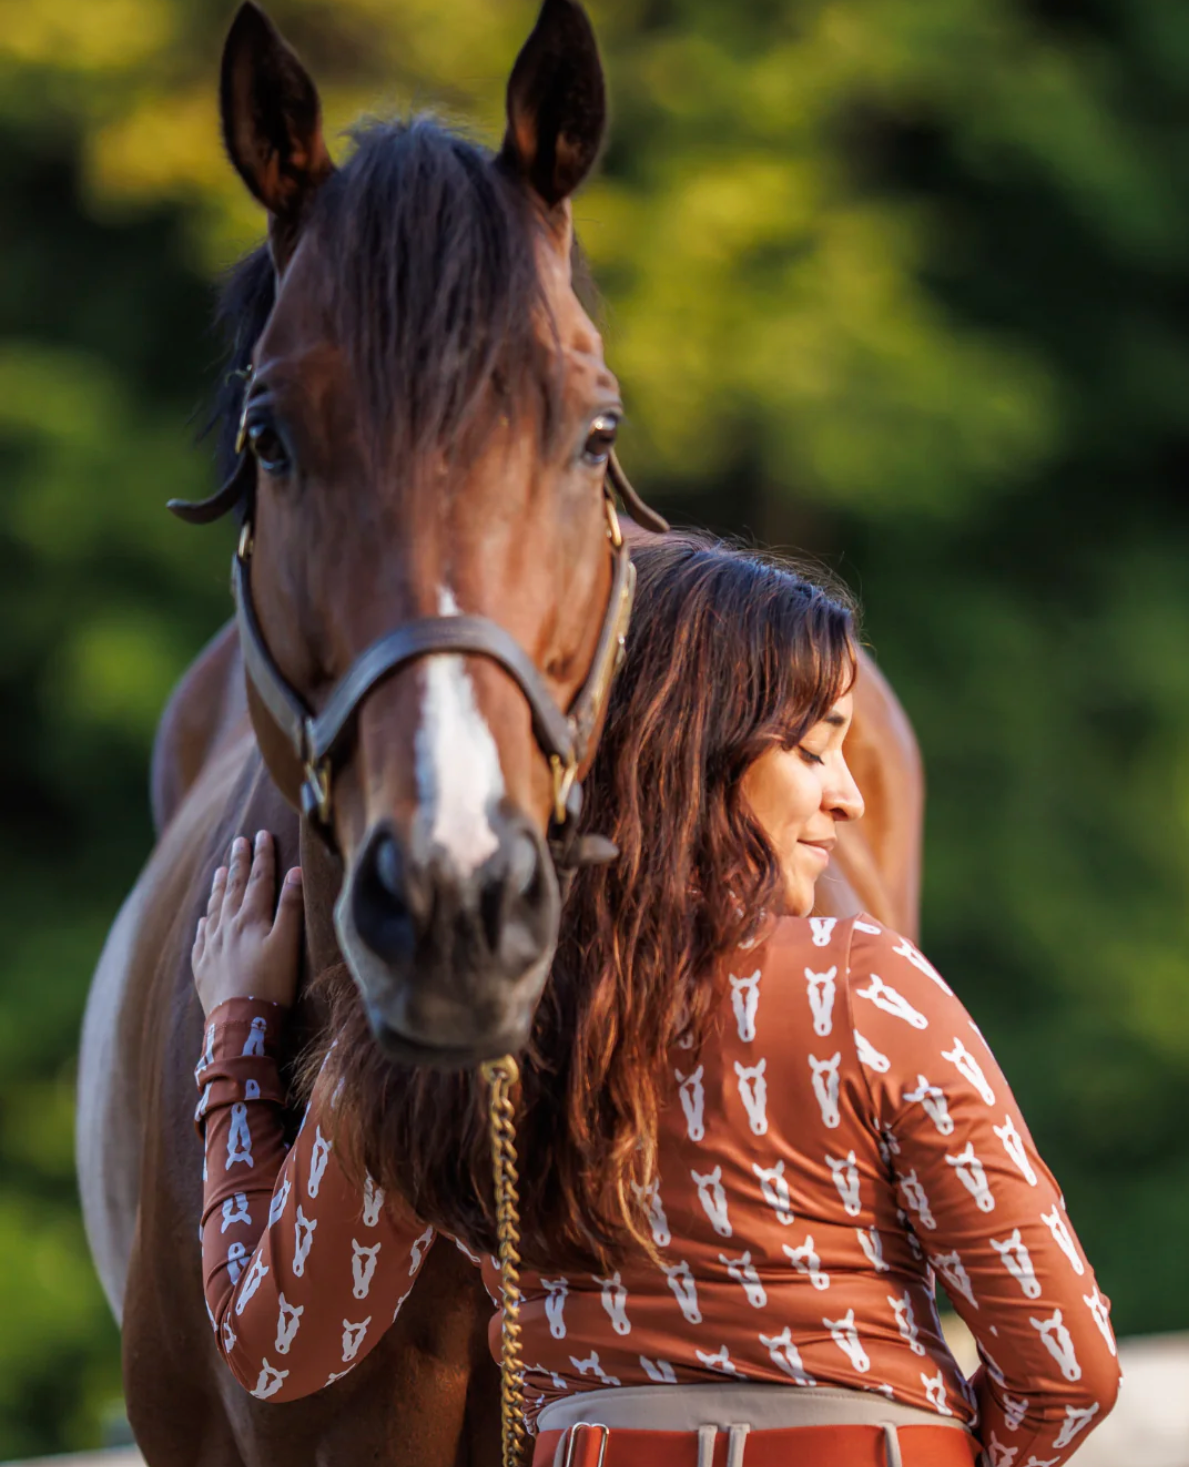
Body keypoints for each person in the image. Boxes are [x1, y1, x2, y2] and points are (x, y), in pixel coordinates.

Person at [192, 535, 1120, 1466]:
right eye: (813, 748)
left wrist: (238, 1039)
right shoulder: (874, 997)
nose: (849, 797)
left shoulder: (440, 1022)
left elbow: (276, 1349)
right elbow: (1069, 1369)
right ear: (694, 746)